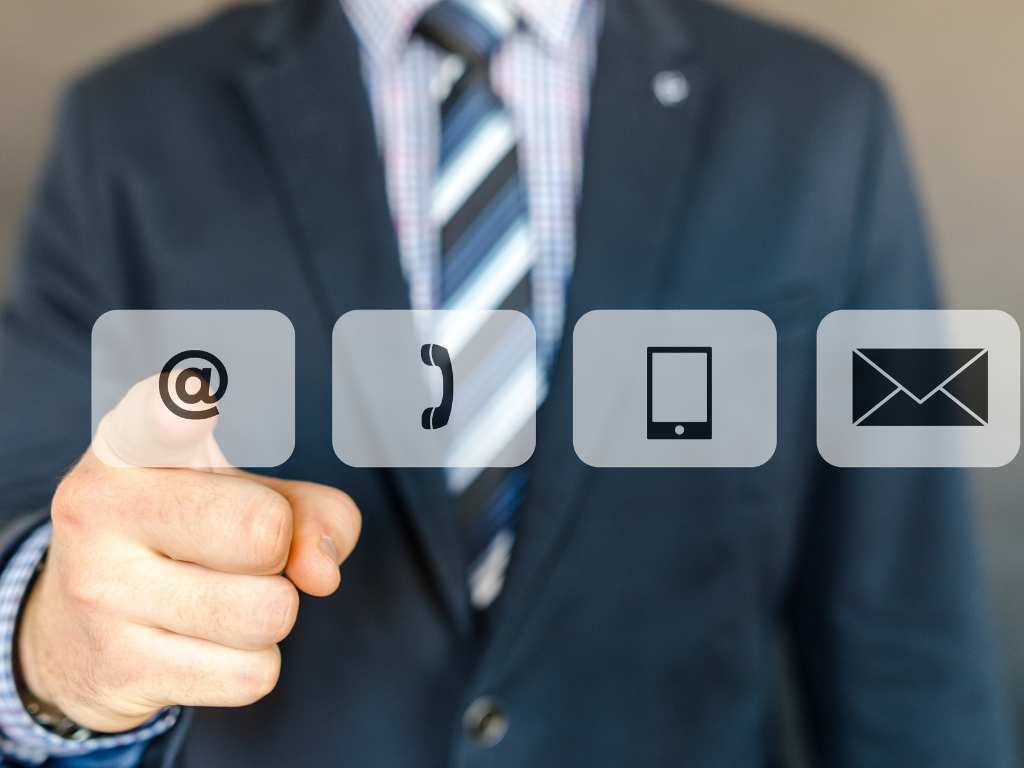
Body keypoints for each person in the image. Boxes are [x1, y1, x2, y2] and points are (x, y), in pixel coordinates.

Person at [0, 0, 1013, 765]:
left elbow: (906, 617)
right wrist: (53, 648)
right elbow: (38, 504)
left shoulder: (824, 120)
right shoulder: (128, 126)